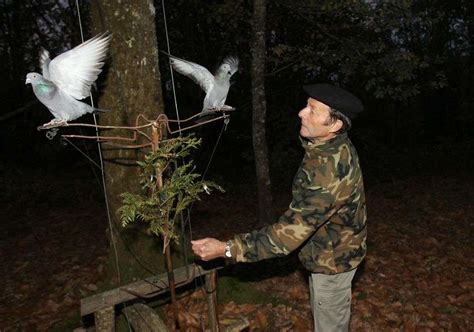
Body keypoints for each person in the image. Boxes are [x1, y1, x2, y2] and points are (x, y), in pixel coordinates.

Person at [191, 83, 367, 332]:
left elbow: (286, 237)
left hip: (333, 264)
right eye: (306, 105)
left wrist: (227, 249)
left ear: (335, 125)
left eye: (312, 110)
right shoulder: (331, 145)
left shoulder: (329, 174)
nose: (301, 113)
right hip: (330, 251)